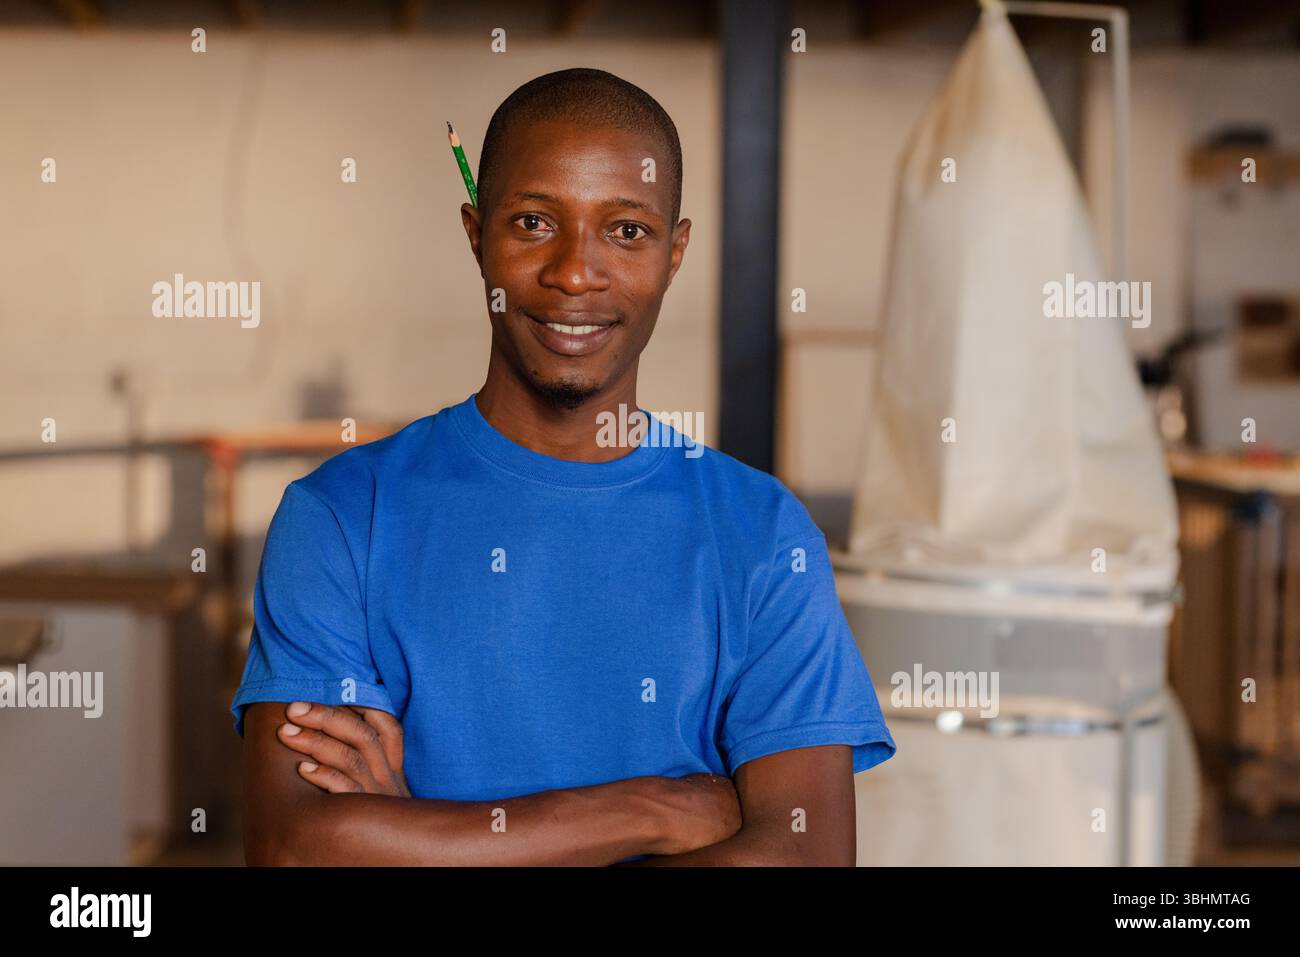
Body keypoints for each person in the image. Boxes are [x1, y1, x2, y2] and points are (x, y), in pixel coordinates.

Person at [233, 67, 895, 866]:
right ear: (477, 236)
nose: (576, 272)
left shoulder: (762, 532)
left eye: (626, 231)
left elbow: (808, 857)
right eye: (534, 221)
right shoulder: (342, 516)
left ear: (675, 251)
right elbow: (294, 849)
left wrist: (425, 843)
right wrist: (649, 809)